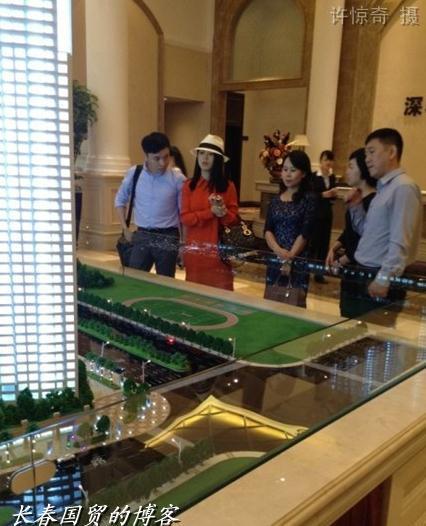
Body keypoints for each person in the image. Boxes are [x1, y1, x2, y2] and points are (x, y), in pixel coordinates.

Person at [352, 128, 422, 318]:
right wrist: (356, 208)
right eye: (366, 154)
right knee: (357, 331)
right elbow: (369, 233)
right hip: (366, 271)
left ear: (391, 152)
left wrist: (384, 278)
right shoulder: (383, 188)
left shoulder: (403, 187)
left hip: (380, 276)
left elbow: (401, 239)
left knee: (376, 333)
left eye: (371, 152)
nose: (367, 159)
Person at [115, 132, 186, 277]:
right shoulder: (135, 173)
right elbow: (120, 200)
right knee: (135, 278)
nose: (162, 163)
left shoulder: (177, 178)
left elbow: (183, 213)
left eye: (166, 157)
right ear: (146, 156)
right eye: (157, 158)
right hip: (143, 234)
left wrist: (183, 243)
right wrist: (125, 228)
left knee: (165, 281)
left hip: (168, 236)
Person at [181, 134, 238, 290]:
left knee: (221, 295)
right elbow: (185, 218)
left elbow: (233, 220)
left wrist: (222, 212)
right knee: (195, 295)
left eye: (210, 154)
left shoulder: (228, 186)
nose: (204, 158)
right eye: (201, 153)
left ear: (218, 159)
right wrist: (210, 212)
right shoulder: (189, 185)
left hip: (220, 252)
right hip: (195, 250)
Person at [325, 148, 377, 317]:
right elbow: (350, 231)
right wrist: (334, 247)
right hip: (351, 270)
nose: (346, 171)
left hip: (364, 271)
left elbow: (367, 239)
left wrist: (342, 260)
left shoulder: (374, 202)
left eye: (351, 166)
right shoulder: (356, 197)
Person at [264, 150, 317, 308]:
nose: (287, 174)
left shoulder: (309, 199)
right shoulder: (275, 200)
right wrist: (278, 250)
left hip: (297, 261)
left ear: (304, 173)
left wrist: (289, 257)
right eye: (285, 169)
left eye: (293, 170)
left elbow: (305, 232)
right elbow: (268, 230)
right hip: (275, 259)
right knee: (272, 302)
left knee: (294, 304)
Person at [310, 150, 338, 283]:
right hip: (315, 214)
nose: (328, 162)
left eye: (330, 160)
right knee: (312, 244)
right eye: (326, 159)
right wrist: (323, 195)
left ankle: (319, 273)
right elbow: (310, 195)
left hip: (327, 214)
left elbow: (333, 196)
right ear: (321, 161)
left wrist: (333, 195)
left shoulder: (332, 177)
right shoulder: (314, 176)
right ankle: (306, 269)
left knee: (324, 245)